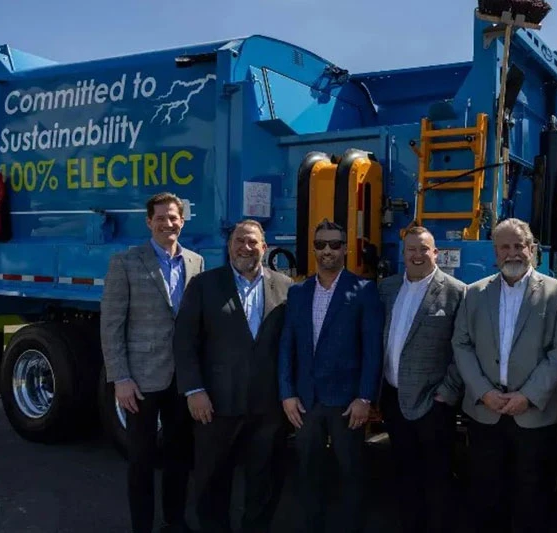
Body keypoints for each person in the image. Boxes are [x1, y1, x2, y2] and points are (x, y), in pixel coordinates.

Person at [452, 217, 557, 533]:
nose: (512, 253)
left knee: (534, 499)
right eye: (504, 247)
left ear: (532, 249)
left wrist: (528, 396)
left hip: (537, 416)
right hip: (485, 412)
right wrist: (483, 392)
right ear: (495, 253)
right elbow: (461, 344)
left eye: (519, 245)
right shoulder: (474, 293)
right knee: (487, 496)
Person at [172, 219, 292, 533]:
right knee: (212, 479)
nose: (245, 247)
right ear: (229, 246)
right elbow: (185, 342)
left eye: (253, 242)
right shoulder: (204, 284)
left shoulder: (286, 287)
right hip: (215, 403)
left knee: (263, 479)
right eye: (239, 241)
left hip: (267, 407)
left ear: (264, 248)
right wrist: (193, 390)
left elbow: (291, 346)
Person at [100, 192, 204, 533]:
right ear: (149, 222)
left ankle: (174, 521)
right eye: (160, 218)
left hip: (182, 378)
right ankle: (142, 526)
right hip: (141, 381)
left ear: (182, 220)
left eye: (173, 217)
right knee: (141, 461)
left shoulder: (195, 262)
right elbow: (112, 324)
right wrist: (120, 378)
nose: (167, 223)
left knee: (178, 458)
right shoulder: (126, 262)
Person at [277, 219, 383, 533]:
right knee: (308, 474)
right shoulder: (298, 292)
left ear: (345, 249)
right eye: (321, 244)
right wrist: (287, 394)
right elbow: (287, 347)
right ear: (313, 248)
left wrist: (365, 397)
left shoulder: (363, 290)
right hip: (306, 402)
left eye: (335, 244)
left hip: (347, 403)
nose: (328, 251)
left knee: (351, 473)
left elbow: (372, 349)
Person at [377, 226, 466, 533]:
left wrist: (446, 393)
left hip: (434, 403)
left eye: (423, 249)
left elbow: (462, 348)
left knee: (437, 478)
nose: (417, 255)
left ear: (435, 253)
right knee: (404, 474)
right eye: (411, 250)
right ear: (403, 254)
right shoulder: (386, 289)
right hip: (393, 399)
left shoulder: (456, 291)